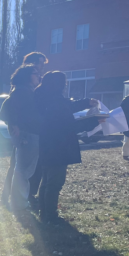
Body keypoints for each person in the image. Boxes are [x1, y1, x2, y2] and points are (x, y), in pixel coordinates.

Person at [34, 71, 98, 223]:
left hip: (46, 144)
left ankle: (44, 212)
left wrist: (86, 102)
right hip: (58, 146)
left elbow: (67, 106)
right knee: (54, 182)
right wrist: (93, 121)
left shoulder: (44, 97)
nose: (66, 85)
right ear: (59, 84)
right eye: (64, 82)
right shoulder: (55, 101)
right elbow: (68, 125)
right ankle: (50, 216)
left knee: (46, 180)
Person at [1, 53, 48, 206]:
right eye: (38, 66)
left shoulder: (26, 89)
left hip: (27, 134)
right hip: (26, 135)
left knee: (21, 168)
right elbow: (7, 110)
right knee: (21, 169)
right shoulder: (22, 90)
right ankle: (18, 200)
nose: (40, 72)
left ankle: (18, 198)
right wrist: (14, 126)